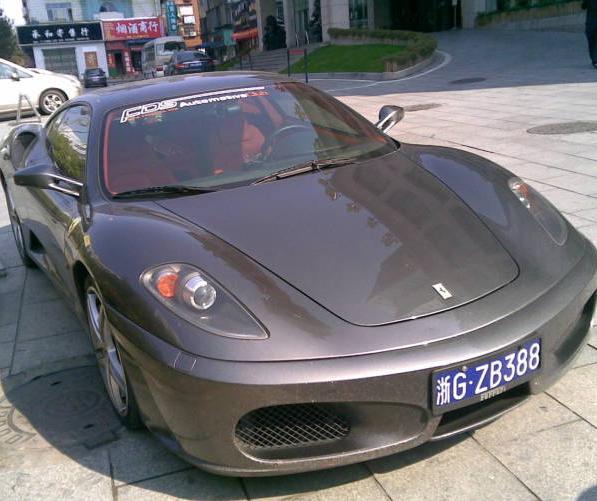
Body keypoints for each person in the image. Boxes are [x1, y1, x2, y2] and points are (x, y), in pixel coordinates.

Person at [582, 0, 597, 68]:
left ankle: (594, 60)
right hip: (591, 22)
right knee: (593, 41)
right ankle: (595, 60)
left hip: (590, 22)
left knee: (592, 42)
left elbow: (583, 6)